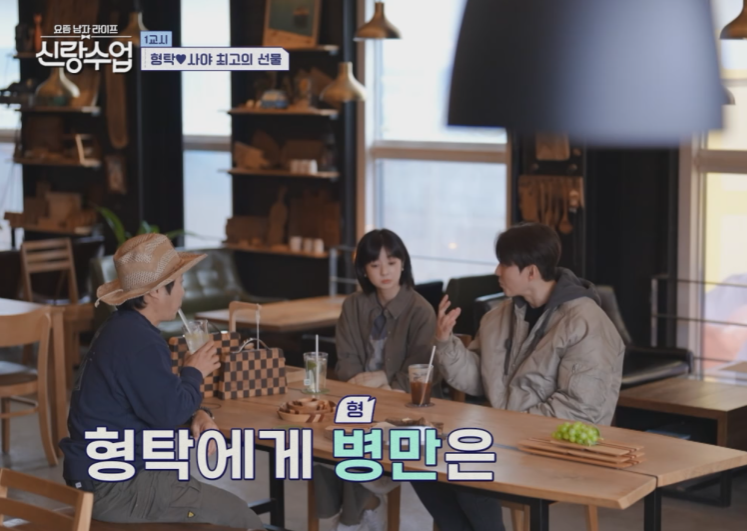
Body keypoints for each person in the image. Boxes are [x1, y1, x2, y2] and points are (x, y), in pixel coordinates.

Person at [413, 223, 625, 531]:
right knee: (416, 460)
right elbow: (478, 380)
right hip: (504, 438)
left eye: (504, 263)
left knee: (466, 471)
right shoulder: (498, 316)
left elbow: (581, 411)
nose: (497, 271)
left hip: (558, 445)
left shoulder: (586, 323)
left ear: (531, 272)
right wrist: (446, 343)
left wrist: (505, 429)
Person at [59, 233, 264, 530]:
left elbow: (155, 400)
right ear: (156, 291)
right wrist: (193, 372)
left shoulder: (121, 329)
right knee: (239, 517)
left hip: (100, 476)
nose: (183, 291)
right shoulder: (141, 342)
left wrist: (198, 412)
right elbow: (168, 412)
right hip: (119, 486)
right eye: (179, 283)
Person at [315, 229, 437, 531]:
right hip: (357, 397)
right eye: (375, 264)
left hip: (403, 408)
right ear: (363, 270)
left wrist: (384, 380)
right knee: (317, 439)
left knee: (358, 441)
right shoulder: (353, 305)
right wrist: (365, 388)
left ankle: (351, 519)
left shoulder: (421, 310)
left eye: (392, 263)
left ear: (403, 264)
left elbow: (420, 370)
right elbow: (345, 362)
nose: (385, 272)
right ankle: (352, 510)